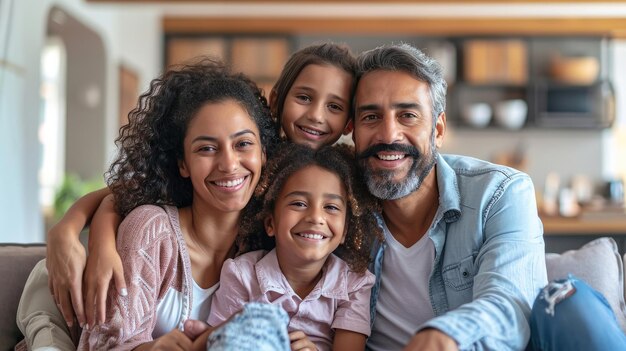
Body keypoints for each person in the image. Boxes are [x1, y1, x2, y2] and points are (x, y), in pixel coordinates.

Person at [34, 42, 357, 334]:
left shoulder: (300, 205)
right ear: (277, 101)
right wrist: (72, 232)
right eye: (304, 97)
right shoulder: (254, 159)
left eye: (334, 106)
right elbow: (125, 193)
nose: (316, 116)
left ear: (349, 122)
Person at [18, 58, 279, 349]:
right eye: (206, 148)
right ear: (183, 164)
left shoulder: (267, 240)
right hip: (55, 321)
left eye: (243, 144)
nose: (229, 164)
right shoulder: (153, 230)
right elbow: (105, 343)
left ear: (264, 153)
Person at [349, 43, 547, 351]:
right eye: (371, 117)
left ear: (438, 130)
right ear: (354, 130)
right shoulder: (338, 203)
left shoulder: (500, 194)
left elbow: (511, 305)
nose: (388, 135)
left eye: (408, 115)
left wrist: (445, 336)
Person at [195, 142, 380, 351]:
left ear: (345, 230)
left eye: (331, 207)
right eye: (299, 203)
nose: (316, 217)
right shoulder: (241, 274)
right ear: (270, 223)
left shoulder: (353, 284)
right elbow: (220, 343)